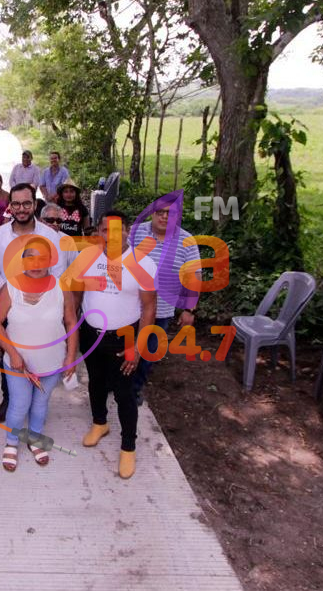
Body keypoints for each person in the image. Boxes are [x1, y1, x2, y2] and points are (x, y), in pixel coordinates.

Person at [74, 211, 156, 479]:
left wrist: (138, 347)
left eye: (117, 230)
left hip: (124, 338)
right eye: (105, 230)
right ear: (98, 232)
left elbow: (149, 307)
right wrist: (72, 328)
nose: (110, 236)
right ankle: (100, 423)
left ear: (128, 231)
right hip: (91, 334)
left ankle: (128, 446)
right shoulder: (87, 257)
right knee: (96, 382)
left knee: (124, 392)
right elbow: (77, 294)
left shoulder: (142, 263)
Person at [0, 240, 78, 471]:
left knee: (40, 405)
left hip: (51, 362)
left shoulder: (61, 287)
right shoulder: (10, 288)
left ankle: (35, 439)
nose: (36, 264)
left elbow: (71, 322)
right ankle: (11, 442)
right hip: (18, 363)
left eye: (42, 259)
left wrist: (71, 357)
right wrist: (12, 353)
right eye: (31, 258)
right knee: (19, 405)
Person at [0, 184, 67, 423]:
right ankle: (10, 397)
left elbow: (58, 271)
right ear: (10, 206)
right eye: (16, 204)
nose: (21, 209)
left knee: (40, 351)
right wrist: (12, 291)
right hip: (9, 302)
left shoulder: (50, 235)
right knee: (11, 352)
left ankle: (38, 399)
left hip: (44, 304)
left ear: (34, 204)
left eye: (26, 203)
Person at [131, 198, 202, 402]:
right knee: (123, 346)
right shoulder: (136, 232)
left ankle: (136, 388)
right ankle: (118, 382)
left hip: (161, 309)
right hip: (129, 306)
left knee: (149, 350)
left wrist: (189, 309)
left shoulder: (187, 241)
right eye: (160, 212)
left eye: (170, 213)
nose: (164, 217)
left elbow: (194, 277)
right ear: (152, 213)